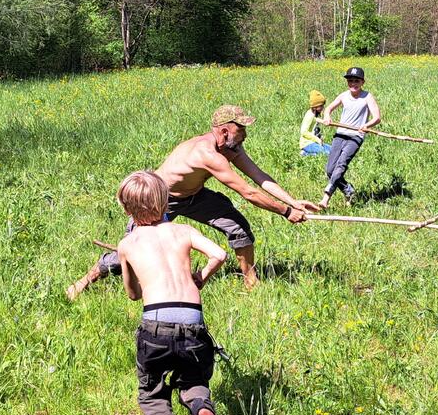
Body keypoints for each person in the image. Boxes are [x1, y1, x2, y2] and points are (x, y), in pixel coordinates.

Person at [66, 105, 321, 299]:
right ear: (224, 130)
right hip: (160, 201)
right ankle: (87, 279)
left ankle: (250, 281)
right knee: (141, 247)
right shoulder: (207, 153)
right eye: (240, 128)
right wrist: (285, 212)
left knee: (238, 226)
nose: (244, 134)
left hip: (194, 196)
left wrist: (293, 202)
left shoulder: (230, 148)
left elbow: (259, 177)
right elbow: (249, 193)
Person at [115, 170, 234, 415]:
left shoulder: (127, 243)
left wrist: (140, 286)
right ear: (166, 201)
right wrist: (200, 278)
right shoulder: (181, 230)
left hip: (155, 324)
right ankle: (199, 406)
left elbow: (131, 293)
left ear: (127, 209)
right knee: (193, 376)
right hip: (192, 321)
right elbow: (219, 253)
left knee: (153, 392)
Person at [318, 67, 381, 208]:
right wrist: (327, 117)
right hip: (340, 134)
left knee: (340, 166)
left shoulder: (367, 97)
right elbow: (328, 109)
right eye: (350, 81)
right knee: (330, 170)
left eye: (356, 81)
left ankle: (325, 198)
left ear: (362, 82)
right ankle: (349, 190)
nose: (353, 83)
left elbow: (377, 118)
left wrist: (367, 125)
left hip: (355, 136)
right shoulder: (344, 95)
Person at [299, 90, 331, 156]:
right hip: (307, 143)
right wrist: (317, 139)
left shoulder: (312, 113)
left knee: (332, 150)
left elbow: (314, 119)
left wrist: (323, 121)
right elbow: (303, 132)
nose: (323, 108)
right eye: (321, 106)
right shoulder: (309, 115)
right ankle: (305, 153)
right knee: (327, 154)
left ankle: (310, 153)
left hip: (313, 142)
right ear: (315, 106)